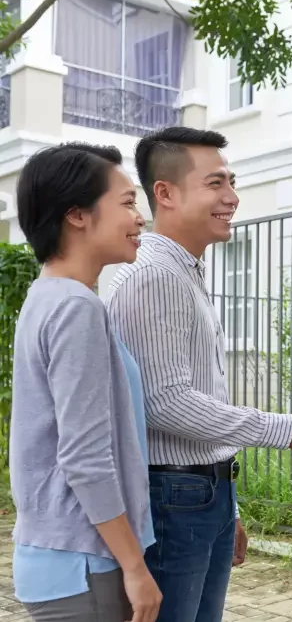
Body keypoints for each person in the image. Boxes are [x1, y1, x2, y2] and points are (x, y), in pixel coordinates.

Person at [105, 127, 292, 622]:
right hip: (174, 500)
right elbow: (164, 401)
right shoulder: (153, 276)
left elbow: (197, 392)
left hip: (203, 495)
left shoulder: (184, 273)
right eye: (215, 183)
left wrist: (229, 508)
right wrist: (288, 429)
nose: (232, 197)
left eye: (231, 182)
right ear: (166, 193)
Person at [10, 143, 162, 621]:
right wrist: (135, 568)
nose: (140, 218)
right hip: (84, 563)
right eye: (127, 202)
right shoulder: (76, 308)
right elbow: (85, 457)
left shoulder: (47, 296)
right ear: (77, 215)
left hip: (63, 558)